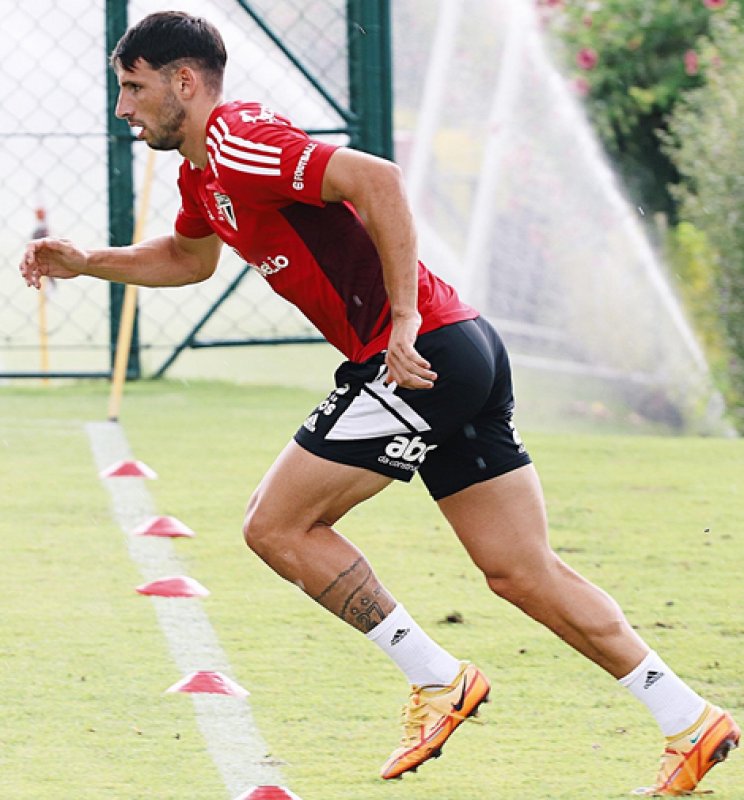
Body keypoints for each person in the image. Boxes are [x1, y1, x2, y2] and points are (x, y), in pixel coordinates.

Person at [19, 11, 739, 794]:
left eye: (134, 86)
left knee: (276, 524)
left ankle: (437, 678)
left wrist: (400, 320)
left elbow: (379, 179)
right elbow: (188, 259)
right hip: (459, 349)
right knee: (521, 571)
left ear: (183, 82)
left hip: (417, 353)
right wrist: (89, 261)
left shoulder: (239, 138)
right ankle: (690, 721)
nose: (123, 107)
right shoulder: (203, 174)